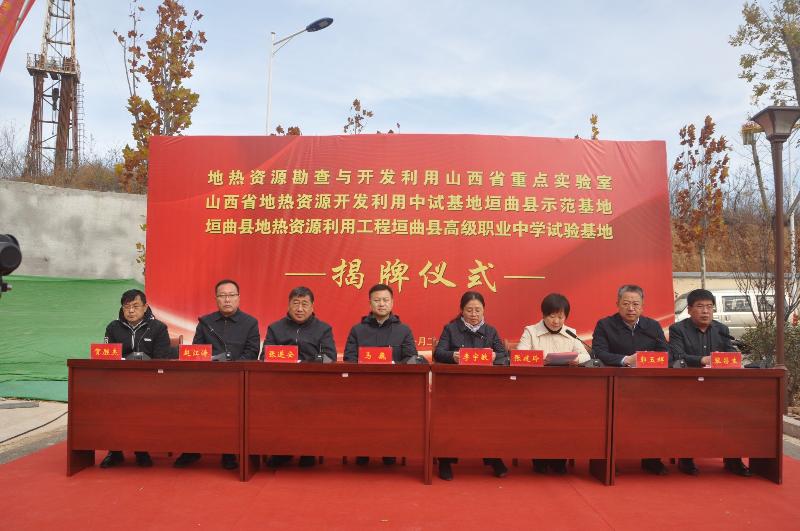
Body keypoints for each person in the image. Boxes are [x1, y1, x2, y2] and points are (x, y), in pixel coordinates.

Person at [173, 279, 260, 471]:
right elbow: (197, 350)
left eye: (231, 295)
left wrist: (234, 370)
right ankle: (192, 449)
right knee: (188, 400)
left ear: (238, 298)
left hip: (237, 379)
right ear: (216, 299)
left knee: (231, 402)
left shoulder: (250, 323)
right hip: (207, 379)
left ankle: (228, 452)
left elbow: (252, 352)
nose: (227, 299)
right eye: (222, 296)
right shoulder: (206, 322)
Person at [668, 288, 752, 477]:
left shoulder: (721, 329)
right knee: (689, 413)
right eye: (700, 307)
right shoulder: (678, 329)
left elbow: (730, 353)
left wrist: (733, 358)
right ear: (689, 310)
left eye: (709, 307)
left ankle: (733, 458)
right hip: (687, 387)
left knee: (736, 411)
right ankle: (686, 457)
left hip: (719, 387)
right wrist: (702, 360)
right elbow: (677, 356)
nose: (705, 311)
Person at [591, 284, 671, 475]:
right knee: (613, 420)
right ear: (617, 304)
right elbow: (598, 352)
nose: (631, 308)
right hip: (615, 384)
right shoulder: (605, 325)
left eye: (636, 304)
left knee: (654, 418)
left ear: (642, 306)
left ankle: (651, 458)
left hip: (648, 385)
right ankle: (611, 458)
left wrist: (647, 360)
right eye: (626, 303)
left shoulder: (652, 326)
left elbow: (666, 353)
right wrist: (626, 360)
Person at [433, 291, 509, 480]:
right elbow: (438, 353)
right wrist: (453, 356)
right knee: (449, 417)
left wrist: (495, 356)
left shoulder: (490, 331)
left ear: (484, 310)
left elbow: (504, 355)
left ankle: (493, 457)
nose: (474, 314)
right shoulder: (450, 329)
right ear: (461, 310)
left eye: (478, 310)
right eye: (469, 310)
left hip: (485, 389)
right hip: (455, 388)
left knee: (490, 417)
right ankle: (445, 460)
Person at [343, 283, 418, 466]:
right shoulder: (357, 330)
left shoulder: (404, 330)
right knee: (362, 410)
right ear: (370, 304)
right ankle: (363, 450)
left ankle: (390, 450)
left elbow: (411, 358)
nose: (381, 304)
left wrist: (395, 367)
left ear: (392, 303)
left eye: (385, 300)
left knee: (392, 411)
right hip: (363, 388)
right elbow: (349, 358)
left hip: (394, 388)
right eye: (377, 300)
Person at [263, 286, 337, 468]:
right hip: (280, 385)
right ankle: (282, 452)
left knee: (310, 404)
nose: (299, 308)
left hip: (312, 386)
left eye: (304, 304)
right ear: (288, 305)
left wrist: (308, 363)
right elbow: (264, 356)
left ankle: (307, 451)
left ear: (312, 306)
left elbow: (330, 357)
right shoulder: (275, 328)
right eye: (295, 303)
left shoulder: (323, 329)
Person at [517, 293, 589, 475]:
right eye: (552, 316)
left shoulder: (570, 333)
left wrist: (576, 360)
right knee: (538, 419)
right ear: (544, 315)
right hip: (535, 388)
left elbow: (586, 355)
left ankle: (559, 461)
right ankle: (539, 460)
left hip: (564, 389)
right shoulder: (531, 331)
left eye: (561, 317)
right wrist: (542, 359)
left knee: (565, 418)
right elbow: (520, 355)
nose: (557, 321)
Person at [100, 289, 172, 469]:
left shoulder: (158, 328)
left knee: (141, 403)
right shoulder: (113, 327)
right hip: (119, 382)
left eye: (135, 306)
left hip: (150, 383)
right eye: (126, 307)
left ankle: (141, 450)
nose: (131, 311)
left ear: (145, 307)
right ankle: (115, 451)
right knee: (107, 401)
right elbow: (108, 357)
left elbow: (161, 359)